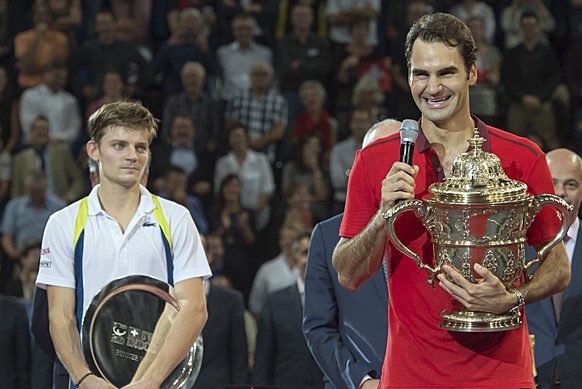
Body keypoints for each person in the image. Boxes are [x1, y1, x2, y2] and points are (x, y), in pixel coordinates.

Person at [332, 13, 571, 388]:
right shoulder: (376, 160)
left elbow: (559, 268)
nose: (433, 88)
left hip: (502, 375)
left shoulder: (522, 158)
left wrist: (513, 297)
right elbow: (347, 274)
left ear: (473, 73)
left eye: (446, 73)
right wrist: (383, 215)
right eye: (421, 74)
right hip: (411, 376)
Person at [34, 101, 211, 388]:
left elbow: (194, 308)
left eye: (140, 147)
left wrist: (150, 381)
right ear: (94, 151)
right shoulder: (63, 223)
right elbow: (60, 316)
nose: (132, 156)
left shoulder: (176, 218)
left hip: (159, 382)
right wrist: (85, 378)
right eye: (119, 145)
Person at [302, 118, 398, 389]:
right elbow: (318, 328)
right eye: (378, 154)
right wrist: (362, 381)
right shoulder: (327, 235)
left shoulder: (435, 227)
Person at [526, 148, 582, 389]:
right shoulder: (516, 247)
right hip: (531, 377)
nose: (559, 193)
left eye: (570, 184)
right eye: (552, 182)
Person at [252, 230, 324, 389]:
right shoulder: (274, 301)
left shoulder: (335, 299)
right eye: (306, 252)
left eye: (316, 251)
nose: (312, 257)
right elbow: (263, 358)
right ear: (294, 261)